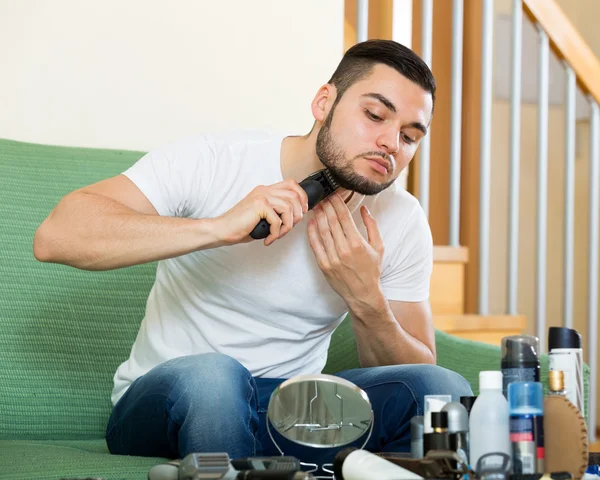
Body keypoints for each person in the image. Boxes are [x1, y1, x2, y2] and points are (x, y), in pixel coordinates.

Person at [33, 39, 472, 464]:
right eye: (375, 115)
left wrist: (366, 300)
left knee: (441, 388)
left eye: (410, 136)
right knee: (215, 377)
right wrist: (218, 228)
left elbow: (418, 373)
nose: (391, 143)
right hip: (171, 400)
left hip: (289, 411)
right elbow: (56, 235)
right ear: (324, 104)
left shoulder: (400, 218)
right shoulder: (216, 160)